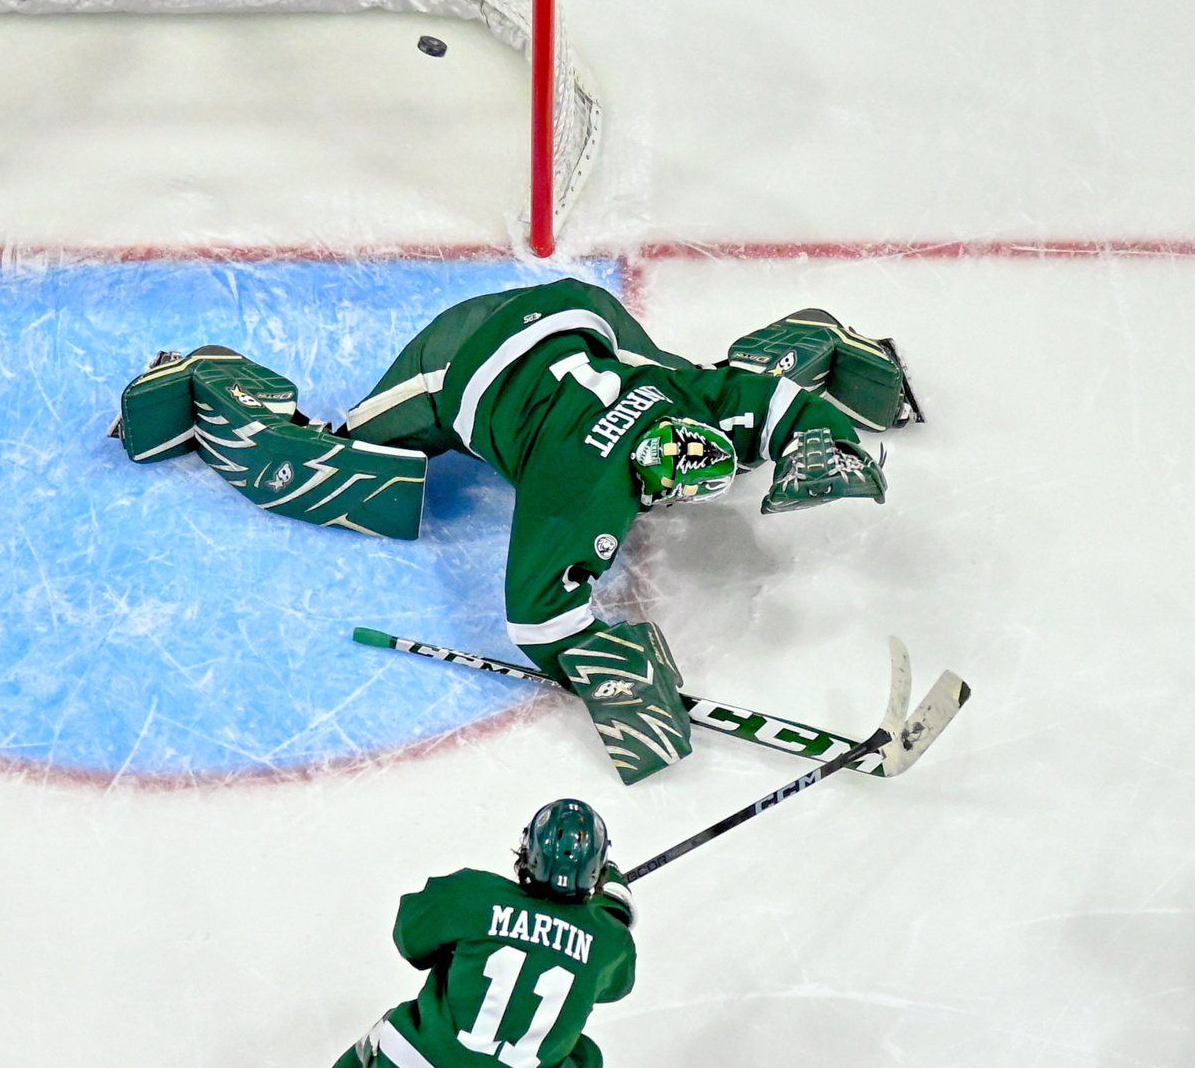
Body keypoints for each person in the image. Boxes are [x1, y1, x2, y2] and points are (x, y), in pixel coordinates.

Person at [112, 279, 918, 783]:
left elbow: (769, 407)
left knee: (711, 389)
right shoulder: (579, 489)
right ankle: (203, 380)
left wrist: (814, 444)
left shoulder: (695, 405)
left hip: (581, 315)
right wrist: (608, 666)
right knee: (344, 470)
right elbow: (537, 618)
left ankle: (822, 337)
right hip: (462, 356)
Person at [275, 799, 637, 1068]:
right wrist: (609, 913)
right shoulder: (612, 944)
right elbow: (615, 984)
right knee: (585, 1055)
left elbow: (411, 941)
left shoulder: (473, 893)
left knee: (394, 1029)